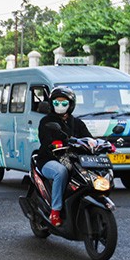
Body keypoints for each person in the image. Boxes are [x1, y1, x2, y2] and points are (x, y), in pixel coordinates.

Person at [37, 86, 92, 227]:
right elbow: (45, 140)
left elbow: (88, 138)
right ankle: (55, 210)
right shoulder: (46, 122)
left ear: (71, 104)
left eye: (64, 102)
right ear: (51, 104)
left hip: (73, 159)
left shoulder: (77, 123)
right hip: (49, 159)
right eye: (56, 102)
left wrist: (97, 143)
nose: (60, 105)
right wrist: (55, 144)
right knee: (60, 172)